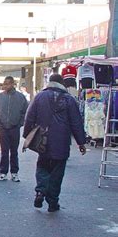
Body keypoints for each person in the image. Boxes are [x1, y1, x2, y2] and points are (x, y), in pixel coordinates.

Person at [23, 74, 86, 212]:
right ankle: (52, 202)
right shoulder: (69, 99)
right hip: (62, 142)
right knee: (57, 172)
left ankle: (40, 191)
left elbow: (29, 117)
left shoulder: (40, 96)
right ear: (61, 83)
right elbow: (76, 122)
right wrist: (81, 142)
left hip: (43, 141)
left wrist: (27, 136)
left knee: (42, 166)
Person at [0, 76, 28, 182]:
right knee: (4, 151)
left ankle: (14, 172)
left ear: (13, 84)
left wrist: (19, 124)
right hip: (3, 128)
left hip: (14, 128)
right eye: (5, 83)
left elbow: (25, 112)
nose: (5, 85)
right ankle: (3, 172)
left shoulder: (21, 97)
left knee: (14, 151)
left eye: (8, 83)